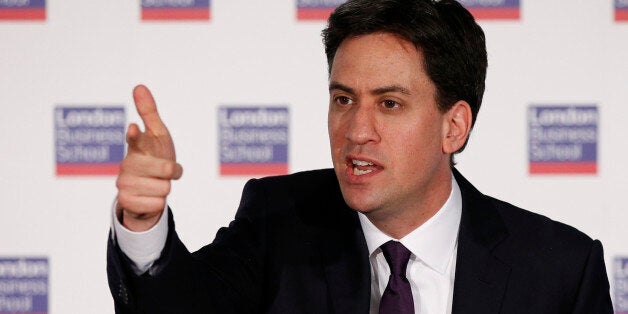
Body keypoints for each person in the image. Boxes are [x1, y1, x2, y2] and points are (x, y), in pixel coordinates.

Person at [107, 0, 613, 313]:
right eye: (343, 99)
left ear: (453, 126)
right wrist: (143, 220)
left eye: (389, 104)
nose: (356, 131)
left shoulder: (560, 270)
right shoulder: (277, 224)